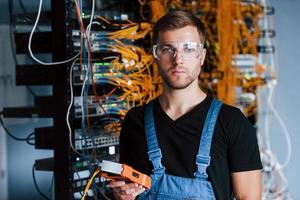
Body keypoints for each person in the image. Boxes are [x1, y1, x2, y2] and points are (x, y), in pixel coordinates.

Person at [108, 10, 262, 200]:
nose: (178, 59)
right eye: (167, 49)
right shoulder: (135, 120)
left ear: (202, 56)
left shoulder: (232, 122)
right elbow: (127, 191)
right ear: (156, 56)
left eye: (188, 48)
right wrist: (122, 196)